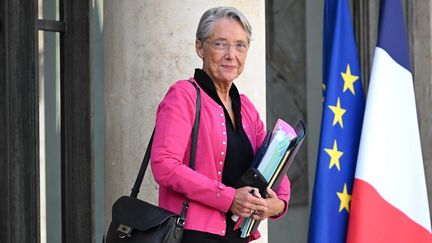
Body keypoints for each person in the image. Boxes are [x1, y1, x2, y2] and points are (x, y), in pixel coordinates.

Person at [150, 6, 290, 242]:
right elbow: (165, 165)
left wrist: (279, 203)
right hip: (192, 235)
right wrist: (228, 197)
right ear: (199, 47)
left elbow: (273, 159)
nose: (231, 55)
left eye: (240, 45)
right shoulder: (182, 96)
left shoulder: (246, 107)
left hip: (237, 236)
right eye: (220, 44)